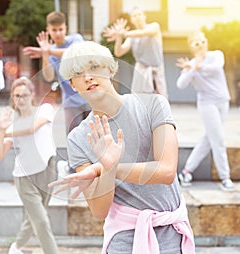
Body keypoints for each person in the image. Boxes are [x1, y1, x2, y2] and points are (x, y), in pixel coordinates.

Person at [49, 41, 195, 254]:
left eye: (94, 67)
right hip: (124, 240)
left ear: (110, 69)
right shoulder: (78, 138)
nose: (88, 76)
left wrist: (107, 169)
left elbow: (166, 171)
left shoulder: (153, 105)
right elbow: (99, 210)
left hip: (173, 235)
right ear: (73, 85)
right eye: (79, 72)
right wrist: (106, 170)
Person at [0, 77, 59, 254]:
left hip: (48, 170)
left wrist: (7, 131)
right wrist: (1, 132)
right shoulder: (11, 124)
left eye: (24, 95)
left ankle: (16, 246)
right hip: (24, 177)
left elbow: (32, 129)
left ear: (32, 95)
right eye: (16, 96)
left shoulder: (45, 110)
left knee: (35, 217)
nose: (20, 99)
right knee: (42, 221)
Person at [176, 32, 234, 191]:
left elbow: (215, 68)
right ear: (191, 47)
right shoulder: (191, 65)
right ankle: (225, 177)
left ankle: (187, 171)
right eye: (196, 43)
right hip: (207, 104)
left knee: (209, 138)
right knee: (219, 139)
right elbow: (181, 84)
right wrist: (192, 69)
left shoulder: (216, 55)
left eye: (202, 41)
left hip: (223, 101)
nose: (200, 44)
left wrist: (195, 66)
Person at [23, 11, 91, 134]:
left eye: (61, 29)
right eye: (54, 30)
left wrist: (47, 51)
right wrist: (44, 54)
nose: (58, 33)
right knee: (73, 139)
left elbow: (74, 53)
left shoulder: (76, 39)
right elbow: (48, 77)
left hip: (90, 98)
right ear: (48, 30)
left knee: (94, 137)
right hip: (70, 103)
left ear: (66, 28)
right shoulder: (50, 50)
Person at [103, 8, 168, 98]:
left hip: (155, 70)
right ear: (131, 20)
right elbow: (119, 52)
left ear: (144, 16)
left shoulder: (154, 26)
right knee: (140, 100)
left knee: (159, 100)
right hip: (141, 70)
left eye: (139, 14)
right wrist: (119, 37)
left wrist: (124, 33)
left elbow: (143, 33)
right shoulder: (131, 36)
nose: (137, 17)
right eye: (134, 16)